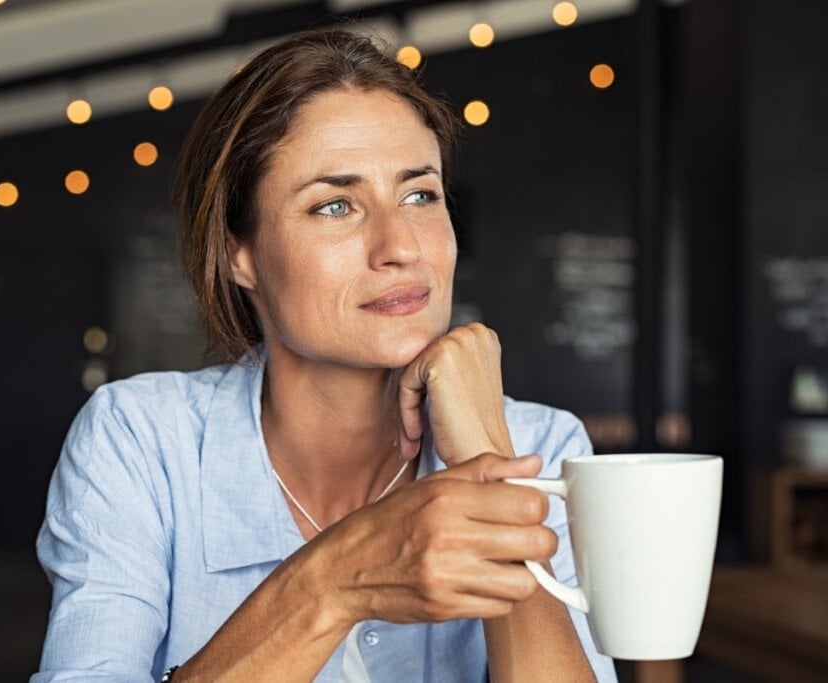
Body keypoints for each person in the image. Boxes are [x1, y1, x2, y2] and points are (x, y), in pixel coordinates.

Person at [33, 27, 616, 682]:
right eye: (335, 205)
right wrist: (334, 581)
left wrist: (488, 457)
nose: (400, 245)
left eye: (419, 194)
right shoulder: (141, 441)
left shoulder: (543, 445)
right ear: (238, 253)